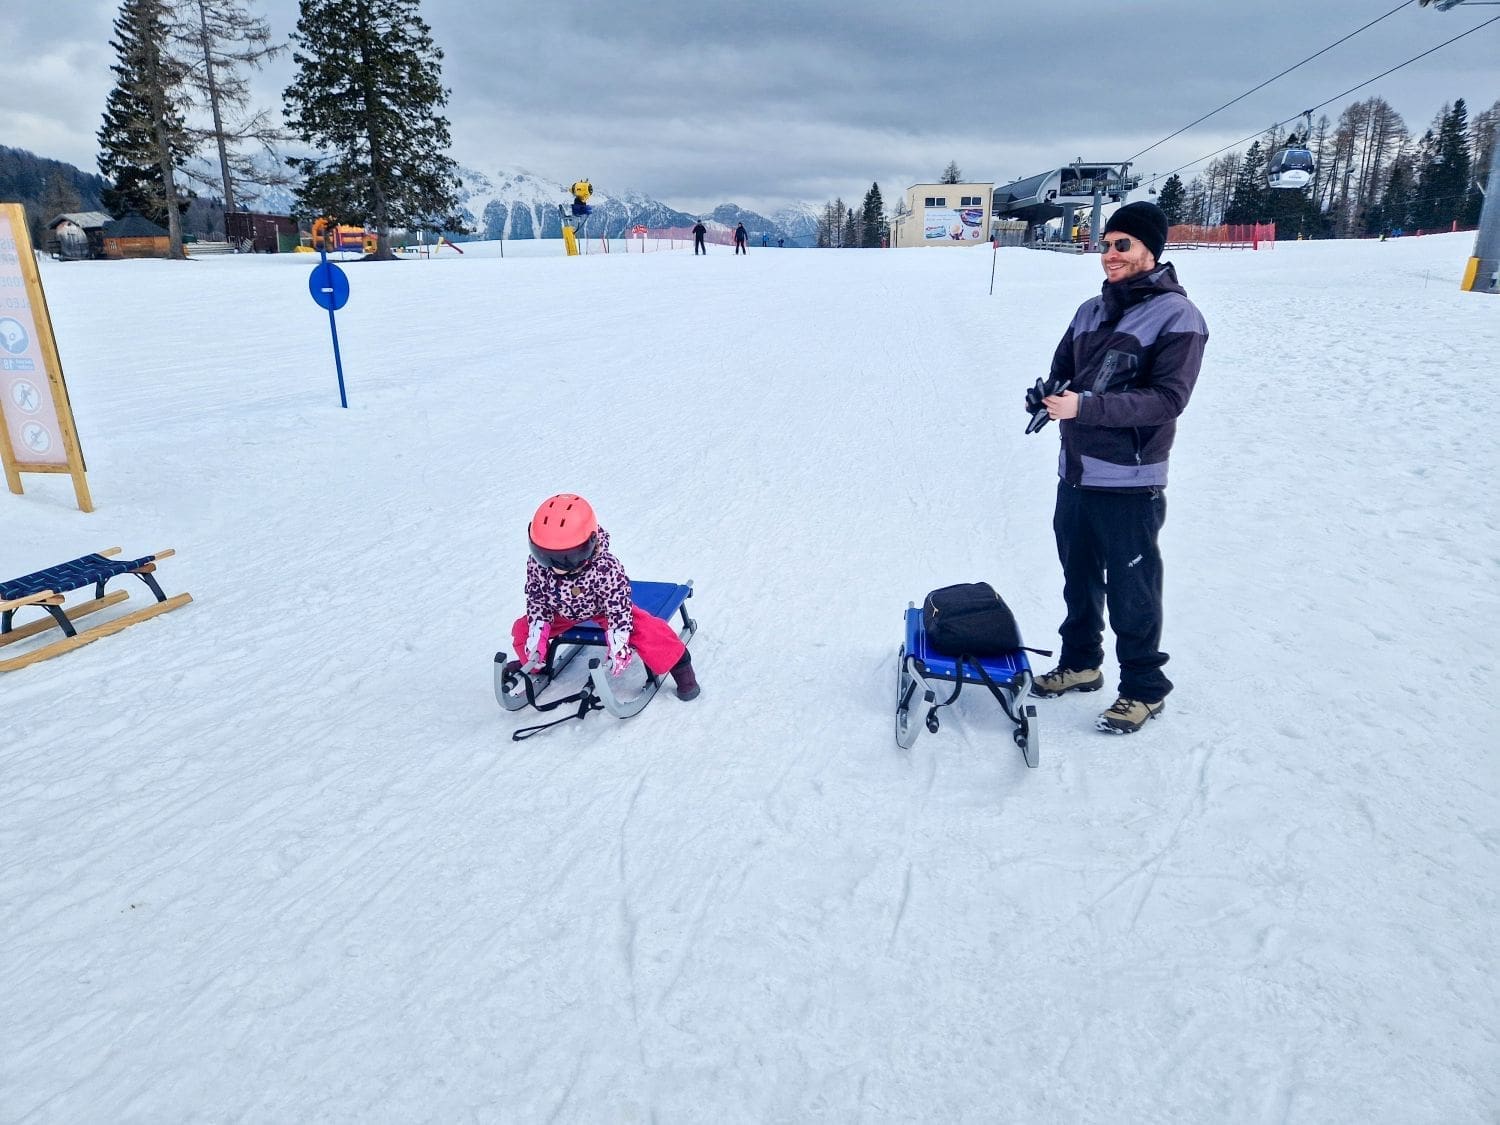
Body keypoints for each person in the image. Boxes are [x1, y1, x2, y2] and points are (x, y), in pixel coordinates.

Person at [1030, 200, 1208, 734]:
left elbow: (1166, 400)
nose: (1108, 254)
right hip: (1077, 472)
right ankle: (1082, 664)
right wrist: (1044, 395)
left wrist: (1085, 407)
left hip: (1131, 480)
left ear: (1151, 249)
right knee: (1078, 578)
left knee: (1133, 587)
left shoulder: (1179, 317)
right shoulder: (1090, 310)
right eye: (1104, 244)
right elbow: (1064, 372)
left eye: (1121, 244)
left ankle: (1144, 688)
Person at [508, 493, 699, 700]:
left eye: (566, 559)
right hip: (559, 611)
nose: (556, 567)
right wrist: (536, 640)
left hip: (603, 610)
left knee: (648, 630)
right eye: (545, 556)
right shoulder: (537, 565)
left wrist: (618, 642)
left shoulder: (605, 567)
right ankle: (534, 664)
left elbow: (618, 607)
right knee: (522, 629)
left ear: (588, 545)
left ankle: (680, 664)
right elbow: (537, 599)